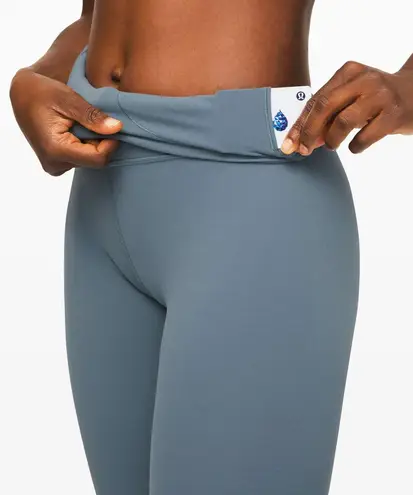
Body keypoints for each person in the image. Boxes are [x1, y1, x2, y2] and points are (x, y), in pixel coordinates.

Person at [9, 1, 413, 494]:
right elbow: (94, 17)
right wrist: (39, 76)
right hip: (99, 198)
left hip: (249, 207)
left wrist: (407, 88)